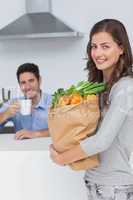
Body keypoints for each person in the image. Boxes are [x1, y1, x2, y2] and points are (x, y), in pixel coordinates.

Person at [50, 19, 133, 199]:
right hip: (93, 181)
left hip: (115, 188)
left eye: (105, 46)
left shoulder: (125, 88)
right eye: (94, 46)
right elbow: (84, 129)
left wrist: (62, 158)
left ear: (121, 48)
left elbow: (101, 140)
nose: (97, 53)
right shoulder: (100, 86)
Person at [0, 63, 52, 140]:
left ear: (39, 80)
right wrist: (6, 114)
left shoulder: (54, 102)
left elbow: (66, 130)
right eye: (23, 83)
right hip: (22, 151)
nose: (27, 87)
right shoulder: (13, 103)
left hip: (47, 150)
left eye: (31, 81)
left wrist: (36, 134)